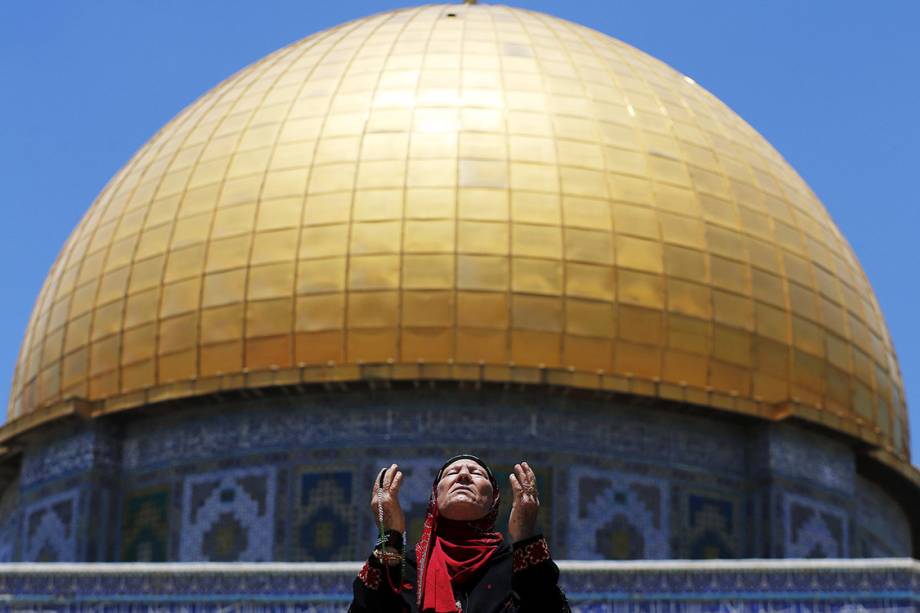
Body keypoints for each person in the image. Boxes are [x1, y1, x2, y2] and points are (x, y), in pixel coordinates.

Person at [349, 454, 570, 612]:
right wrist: (390, 534)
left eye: (476, 473)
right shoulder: (406, 567)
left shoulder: (515, 567)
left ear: (494, 499)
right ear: (435, 496)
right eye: (452, 472)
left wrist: (525, 537)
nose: (463, 475)